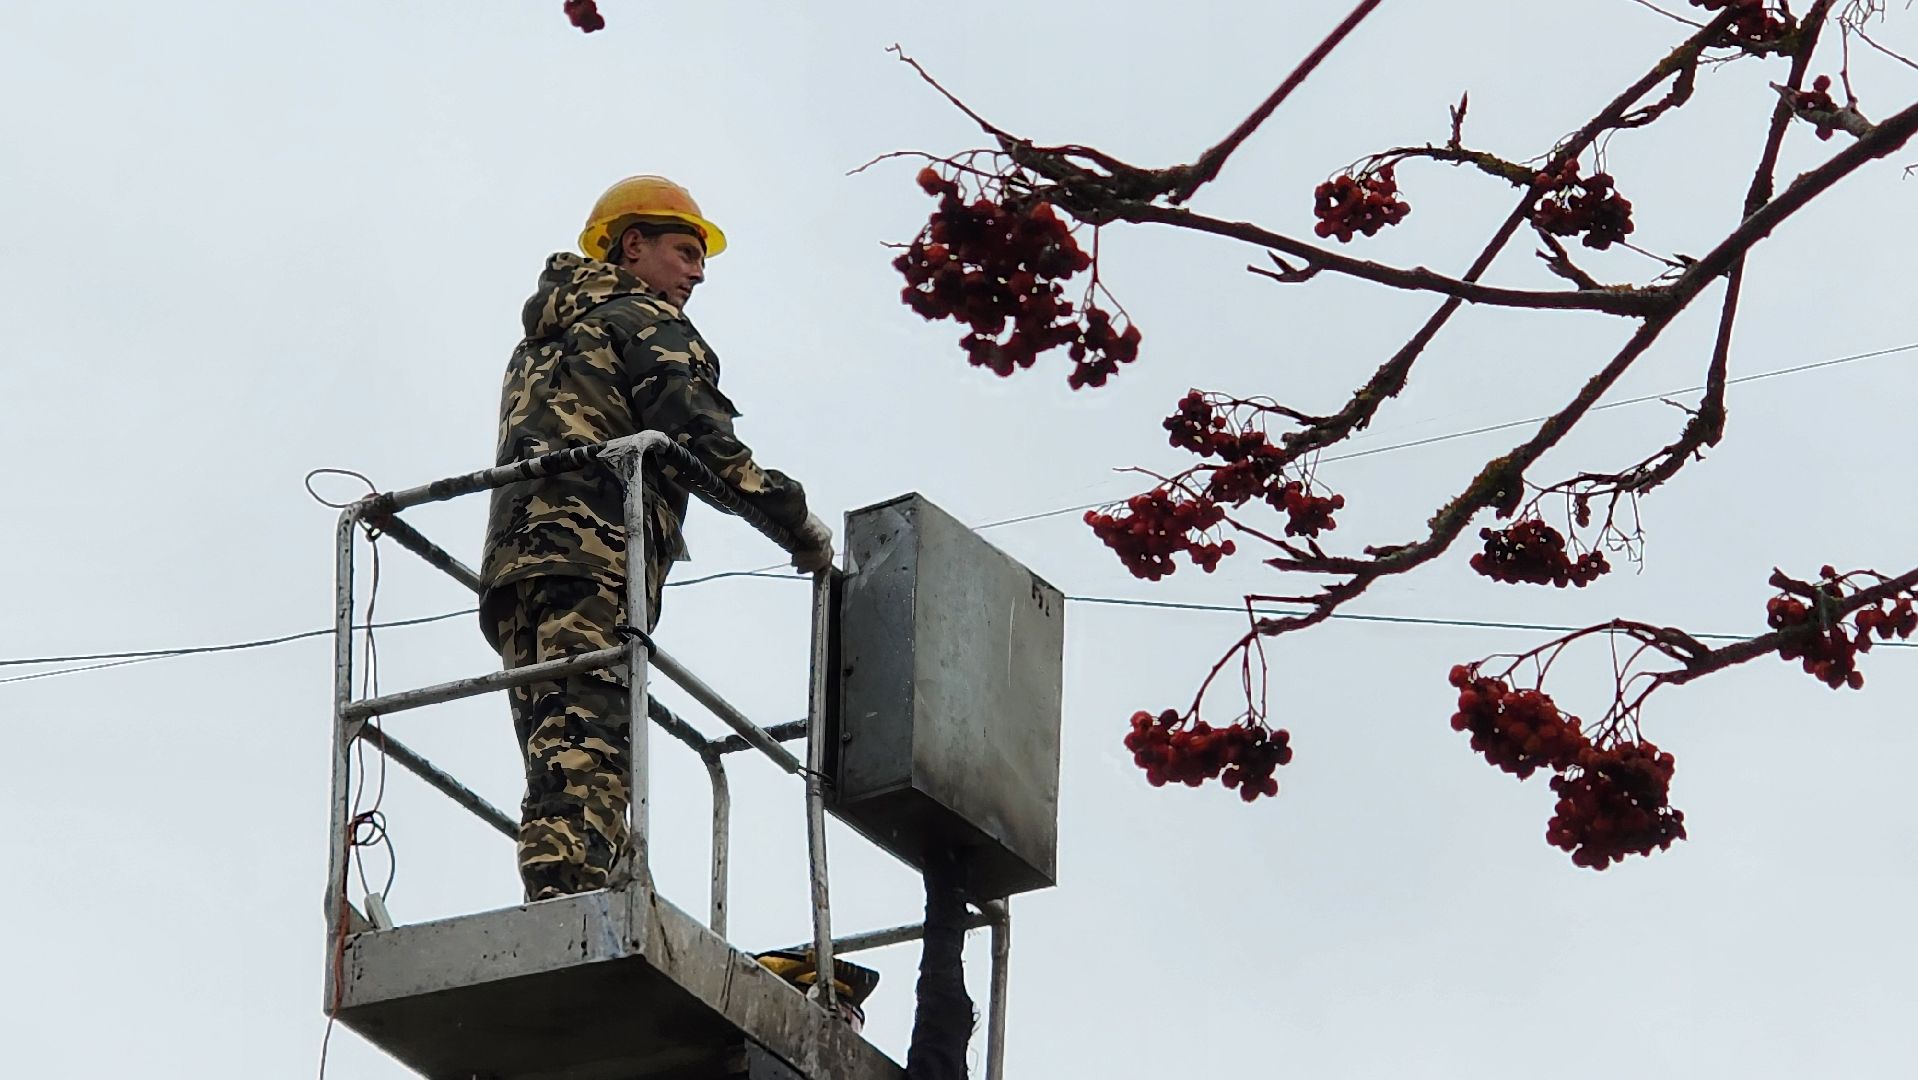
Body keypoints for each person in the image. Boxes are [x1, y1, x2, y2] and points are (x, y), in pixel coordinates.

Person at [479, 175, 833, 902]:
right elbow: (702, 441)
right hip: (597, 557)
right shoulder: (643, 318)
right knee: (590, 741)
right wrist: (797, 522)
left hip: (518, 570)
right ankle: (573, 899)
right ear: (632, 245)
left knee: (554, 743)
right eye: (686, 252)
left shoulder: (543, 340)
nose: (698, 274)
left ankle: (560, 886)